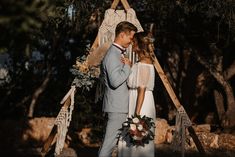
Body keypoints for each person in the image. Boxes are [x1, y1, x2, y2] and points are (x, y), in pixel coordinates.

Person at [98, 21, 137, 157]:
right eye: (130, 38)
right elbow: (115, 82)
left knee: (114, 145)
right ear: (122, 35)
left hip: (118, 106)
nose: (131, 42)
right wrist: (128, 67)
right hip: (117, 107)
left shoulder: (116, 53)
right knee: (108, 146)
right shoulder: (112, 55)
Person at [118, 31, 156, 157]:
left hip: (141, 103)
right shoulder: (140, 63)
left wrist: (137, 115)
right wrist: (128, 65)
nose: (131, 45)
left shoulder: (144, 64)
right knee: (131, 138)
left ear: (139, 45)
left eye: (134, 43)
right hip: (134, 99)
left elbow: (142, 90)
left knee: (138, 137)